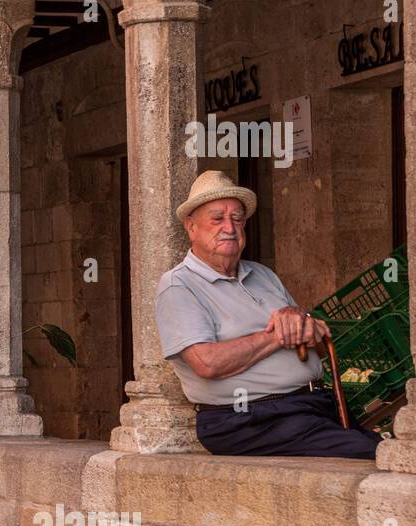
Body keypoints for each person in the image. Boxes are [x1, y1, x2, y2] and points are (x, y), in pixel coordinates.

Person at [154, 170, 380, 458]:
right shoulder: (178, 285)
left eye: (237, 219)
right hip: (249, 419)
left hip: (311, 406)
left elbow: (319, 348)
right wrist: (277, 337)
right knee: (374, 457)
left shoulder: (263, 275)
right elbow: (206, 364)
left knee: (394, 450)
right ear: (191, 227)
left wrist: (304, 324)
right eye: (217, 218)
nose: (230, 227)